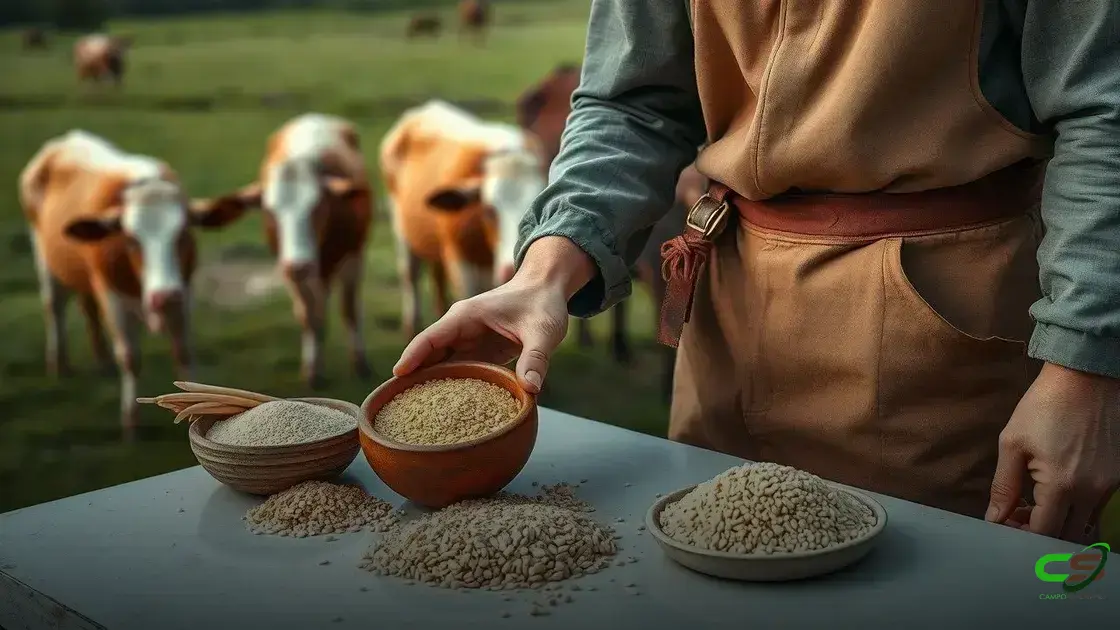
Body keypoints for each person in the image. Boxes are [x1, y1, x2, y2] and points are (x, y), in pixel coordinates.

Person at [394, 1, 1120, 542]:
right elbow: (631, 103)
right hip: (727, 325)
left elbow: (1103, 108)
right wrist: (545, 271)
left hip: (943, 344)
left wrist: (1084, 366)